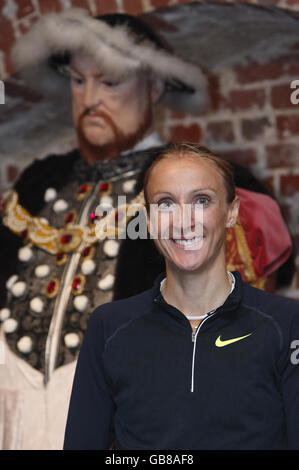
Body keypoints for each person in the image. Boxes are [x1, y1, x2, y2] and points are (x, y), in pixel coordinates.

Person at [0, 9, 210, 450]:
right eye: (79, 81)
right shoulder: (38, 184)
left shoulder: (189, 181)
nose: (90, 97)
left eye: (110, 81)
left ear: (153, 87)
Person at [64, 143, 299, 450]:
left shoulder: (286, 322)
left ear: (232, 212)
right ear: (148, 221)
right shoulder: (108, 327)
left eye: (201, 200)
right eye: (165, 203)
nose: (183, 221)